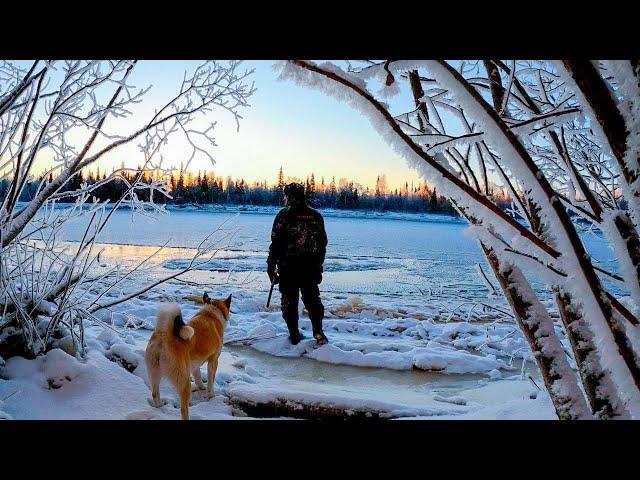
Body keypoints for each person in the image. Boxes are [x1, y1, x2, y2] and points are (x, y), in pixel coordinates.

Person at [267, 182, 328, 345]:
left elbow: (275, 244)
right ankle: (318, 331)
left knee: (289, 302)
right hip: (310, 268)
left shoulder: (283, 216)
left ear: (289, 196)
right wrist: (318, 265)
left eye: (285, 196)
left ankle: (294, 334)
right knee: (313, 300)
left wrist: (270, 267)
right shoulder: (316, 216)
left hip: (289, 268)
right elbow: (322, 244)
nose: (285, 198)